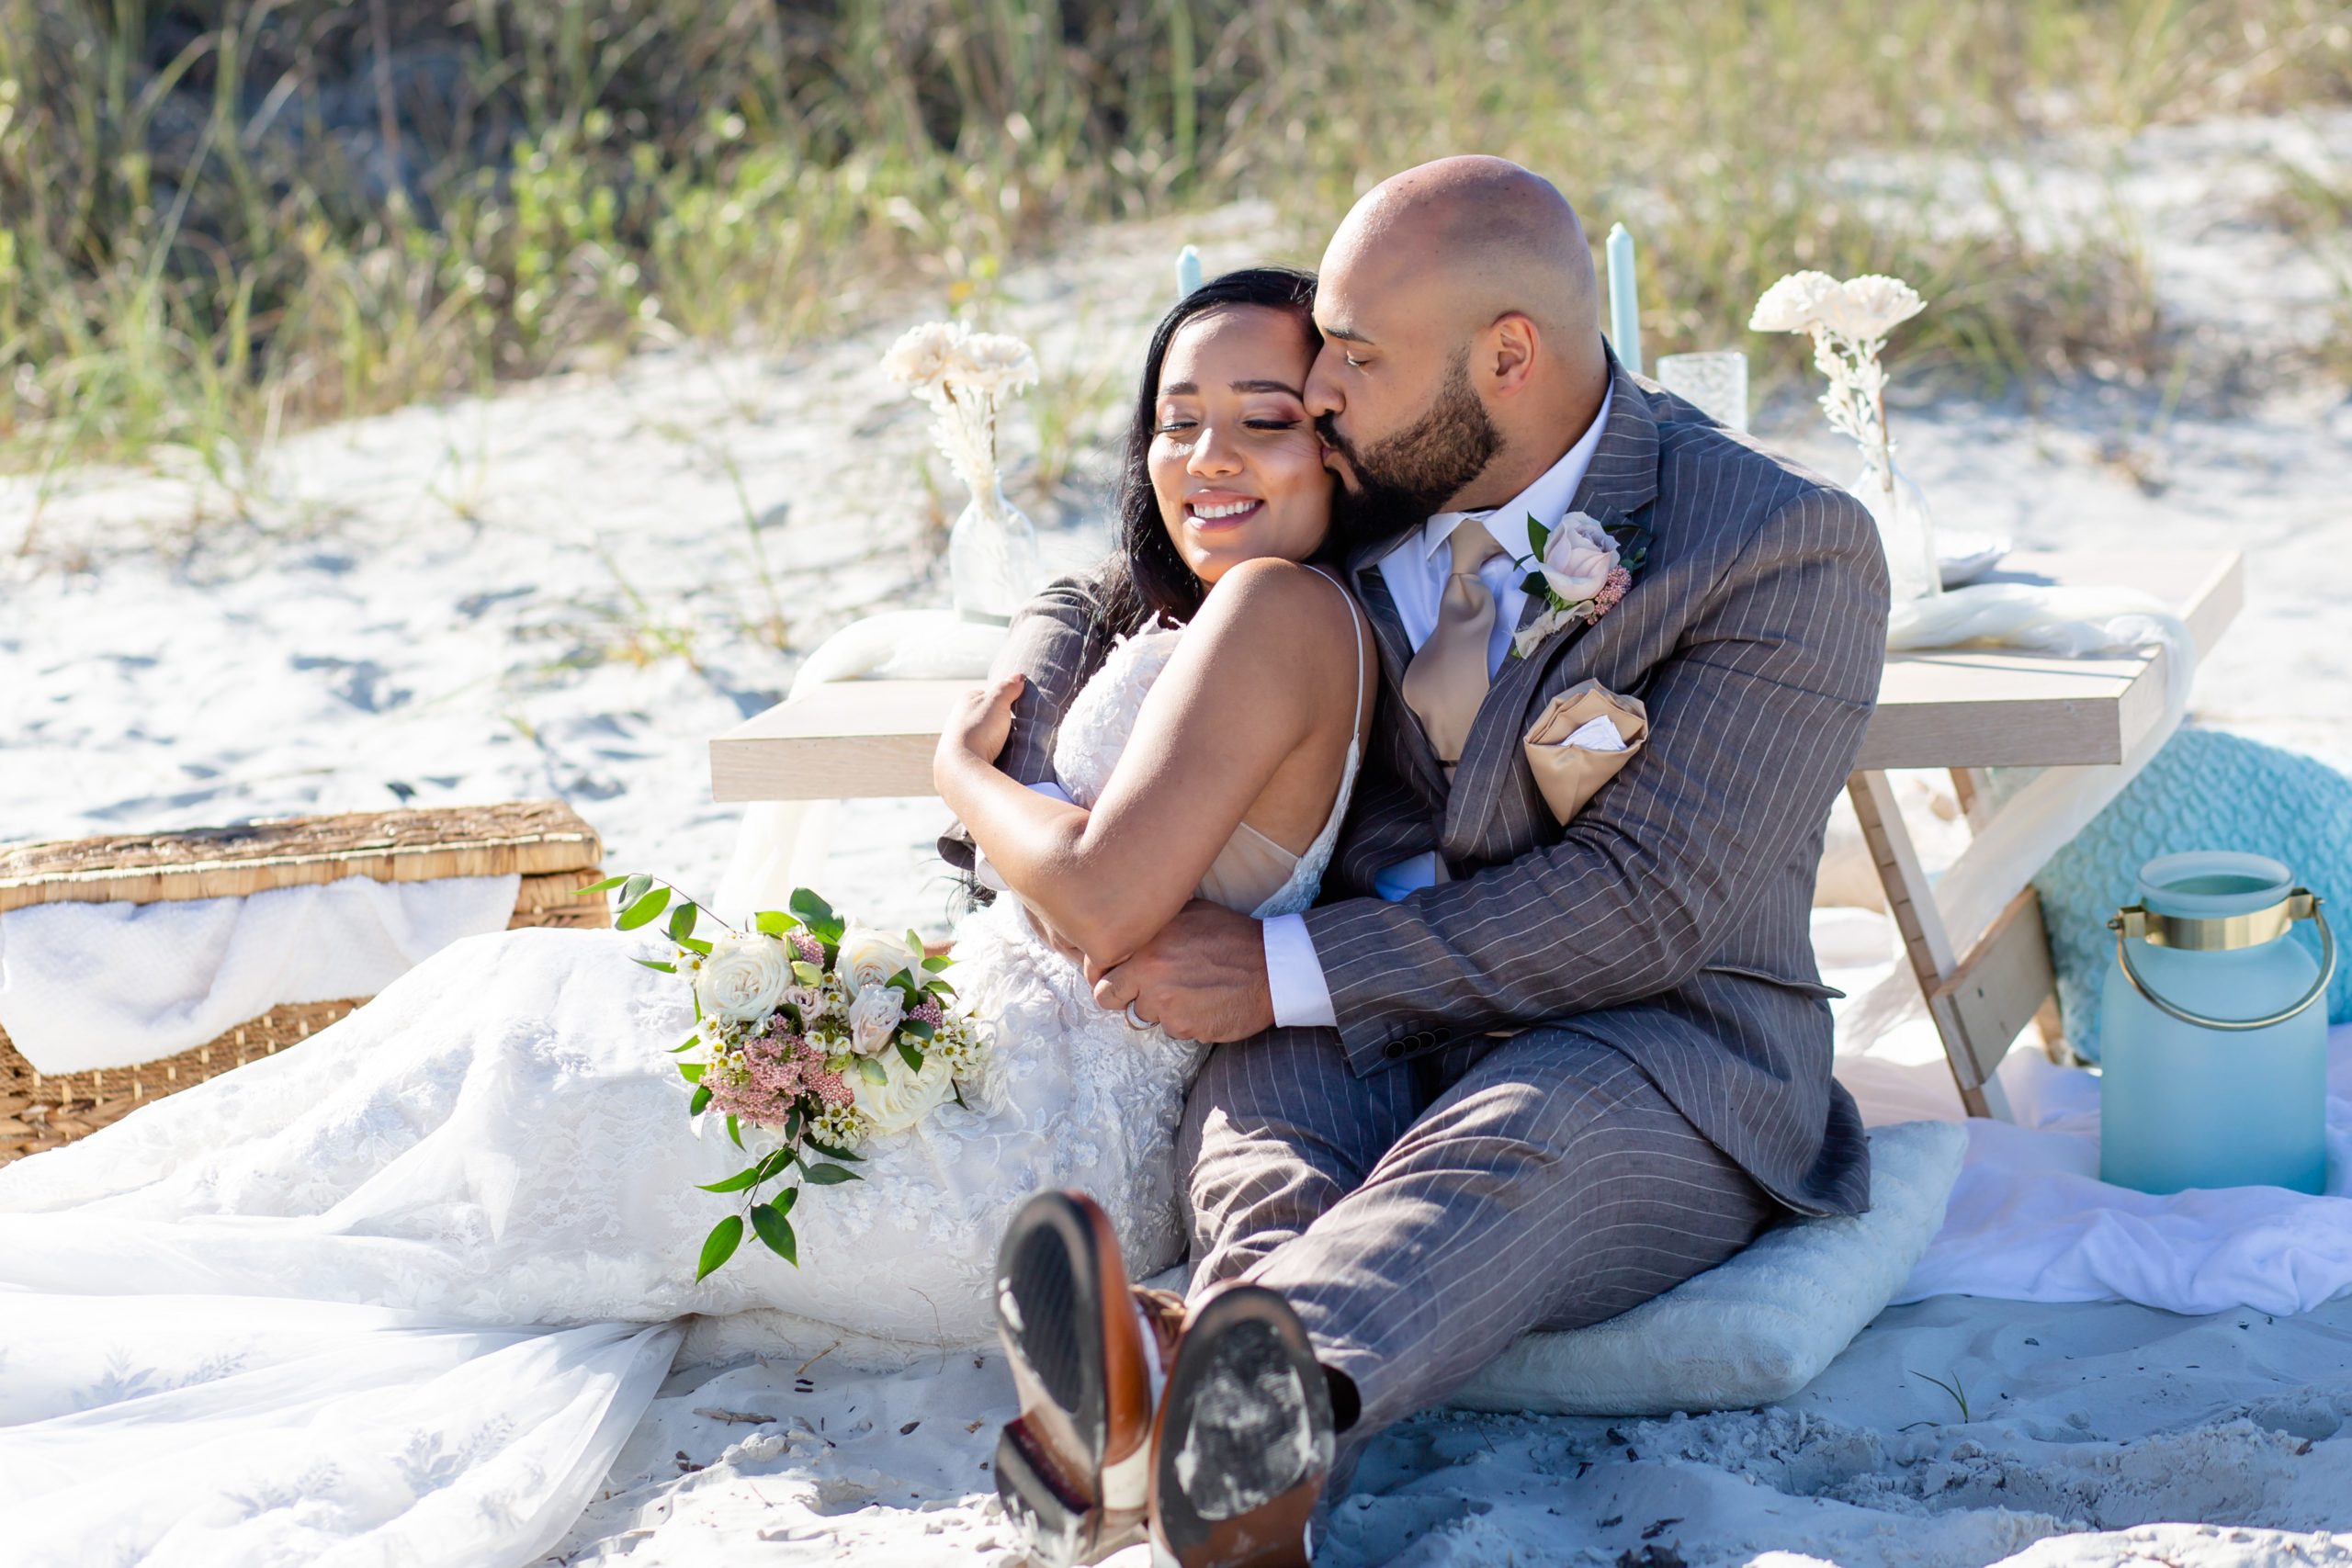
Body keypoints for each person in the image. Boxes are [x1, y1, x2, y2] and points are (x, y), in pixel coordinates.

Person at [0, 265, 1377, 1567]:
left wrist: (957, 769)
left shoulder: (1280, 612)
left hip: (1026, 1138)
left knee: (522, 1054)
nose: (1206, 458)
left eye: (1261, 423)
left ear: (1338, 444)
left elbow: (1100, 896)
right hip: (991, 1076)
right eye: (1176, 421)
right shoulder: (1202, 613)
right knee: (518, 1013)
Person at [983, 156, 1891, 1568]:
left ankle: (1189, 1394)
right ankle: (1236, 1486)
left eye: (1354, 356)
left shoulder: (1780, 550)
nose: (1321, 391)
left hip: (1654, 1051)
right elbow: (1116, 582)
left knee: (1517, 1137)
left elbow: (1650, 906)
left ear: (1507, 356)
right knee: (1264, 1134)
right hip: (1355, 1031)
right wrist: (1004, 735)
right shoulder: (1373, 479)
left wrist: (1286, 965)